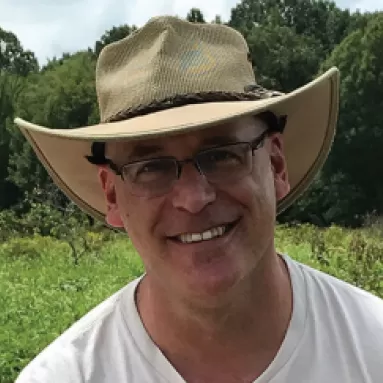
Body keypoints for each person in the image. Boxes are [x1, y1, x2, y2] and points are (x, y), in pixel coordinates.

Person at [14, 15, 383, 383]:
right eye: (151, 167)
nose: (193, 198)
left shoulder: (373, 347)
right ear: (112, 194)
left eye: (223, 154)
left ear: (276, 164)